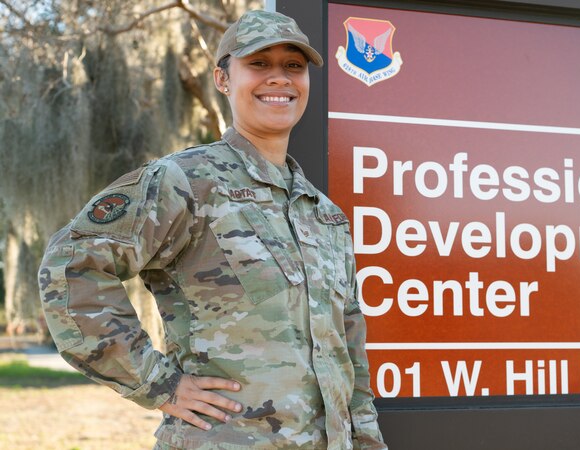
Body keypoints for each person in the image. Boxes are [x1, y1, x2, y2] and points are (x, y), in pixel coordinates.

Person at [38, 9, 386, 450]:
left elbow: (348, 346)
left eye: (293, 66)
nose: (279, 78)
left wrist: (367, 440)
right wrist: (157, 383)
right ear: (223, 80)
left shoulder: (324, 214)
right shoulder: (186, 181)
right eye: (259, 64)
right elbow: (71, 265)